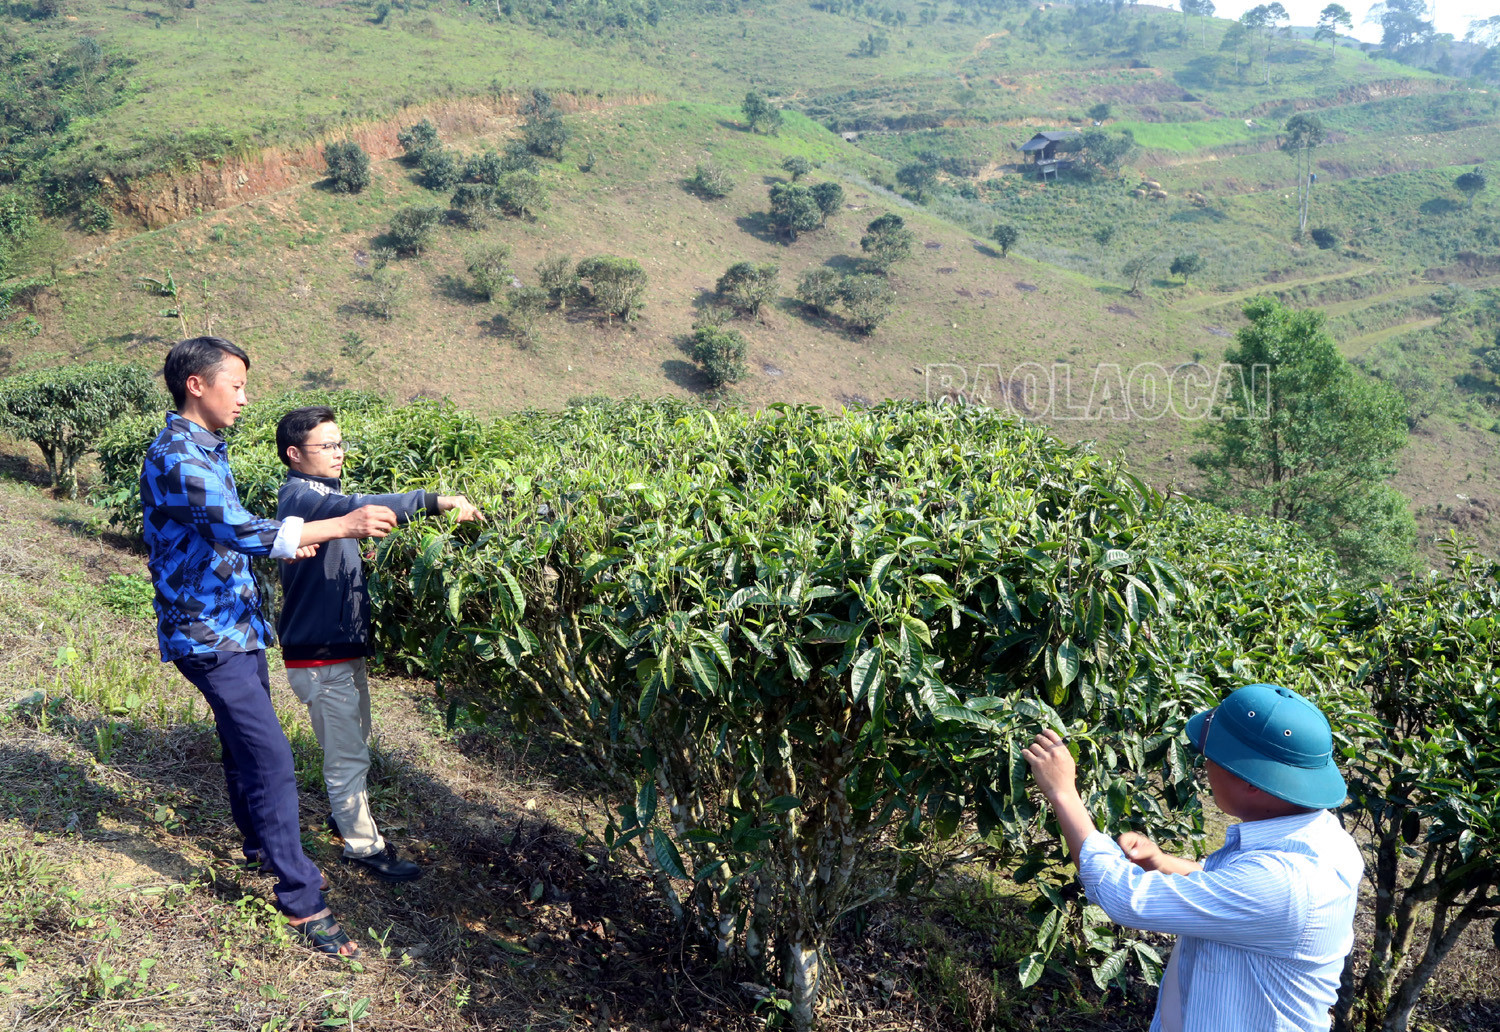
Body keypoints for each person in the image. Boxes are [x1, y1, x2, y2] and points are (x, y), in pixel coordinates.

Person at [142, 336, 399, 958]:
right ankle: (301, 899)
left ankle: (260, 848)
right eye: (236, 384)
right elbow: (234, 526)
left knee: (243, 746)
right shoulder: (177, 455)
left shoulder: (206, 449)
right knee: (272, 759)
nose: (244, 397)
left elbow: (226, 532)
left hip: (236, 626)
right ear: (196, 385)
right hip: (207, 634)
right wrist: (340, 523)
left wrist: (288, 539)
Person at [1022, 682, 1363, 1032]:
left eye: (1213, 756)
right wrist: (1163, 863)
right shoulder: (1322, 838)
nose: (1203, 764)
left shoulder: (1287, 883)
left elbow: (1126, 898)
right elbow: (1231, 886)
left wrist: (1062, 792)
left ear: (1252, 782)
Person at [274, 406, 479, 882]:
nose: (338, 452)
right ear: (294, 454)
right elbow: (365, 504)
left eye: (339, 443)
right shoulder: (301, 495)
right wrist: (435, 501)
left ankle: (346, 818)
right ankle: (363, 848)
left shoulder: (324, 492)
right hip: (320, 654)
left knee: (354, 742)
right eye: (326, 446)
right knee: (346, 755)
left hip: (341, 648)